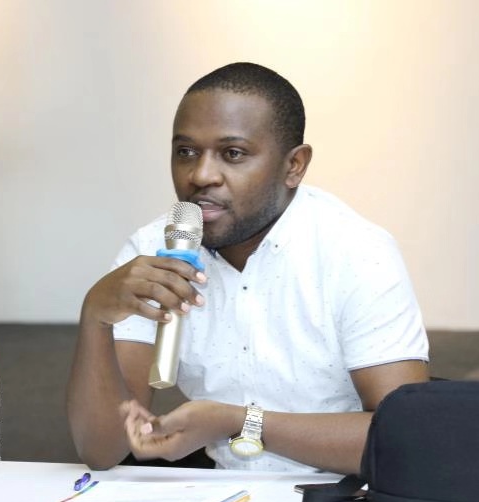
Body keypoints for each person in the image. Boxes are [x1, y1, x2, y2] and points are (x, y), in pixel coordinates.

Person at [66, 62, 429, 474]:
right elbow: (102, 450)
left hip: (343, 498)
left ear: (294, 166)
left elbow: (406, 440)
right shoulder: (154, 250)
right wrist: (95, 315)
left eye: (232, 154)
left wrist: (238, 422)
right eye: (186, 152)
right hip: (218, 498)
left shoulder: (357, 253)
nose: (201, 175)